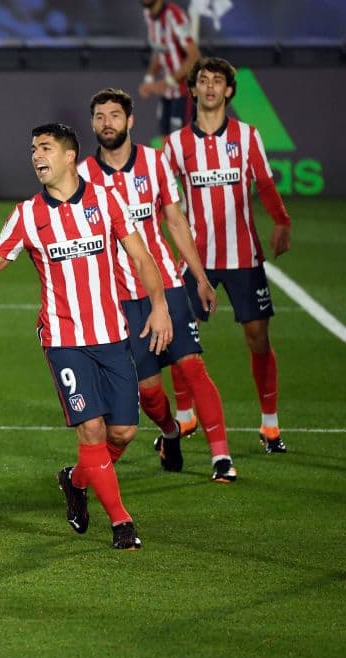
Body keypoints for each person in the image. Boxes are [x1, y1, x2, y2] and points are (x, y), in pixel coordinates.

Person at [0, 124, 174, 550]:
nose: (36, 155)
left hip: (111, 336)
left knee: (122, 433)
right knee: (91, 429)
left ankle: (75, 479)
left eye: (46, 148)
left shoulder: (106, 200)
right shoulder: (27, 214)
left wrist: (160, 306)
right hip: (63, 340)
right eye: (33, 148)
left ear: (70, 156)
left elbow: (142, 257)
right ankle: (121, 522)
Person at [79, 87, 237, 482]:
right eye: (100, 117)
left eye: (115, 115)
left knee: (192, 367)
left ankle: (221, 458)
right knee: (149, 392)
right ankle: (170, 431)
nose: (107, 123)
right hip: (120, 299)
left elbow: (176, 221)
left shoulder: (155, 162)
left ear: (131, 121)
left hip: (166, 284)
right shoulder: (83, 175)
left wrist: (199, 278)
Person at [164, 57, 292, 454]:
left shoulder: (248, 136)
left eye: (217, 82)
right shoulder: (175, 145)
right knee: (179, 339)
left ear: (229, 91)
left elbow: (266, 184)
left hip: (243, 257)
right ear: (194, 90)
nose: (210, 87)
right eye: (203, 81)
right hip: (195, 259)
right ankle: (185, 417)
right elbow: (164, 200)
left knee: (257, 338)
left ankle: (269, 424)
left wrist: (281, 221)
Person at [139, 0, 201, 138]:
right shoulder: (148, 15)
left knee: (182, 144)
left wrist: (167, 82)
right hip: (167, 94)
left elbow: (194, 56)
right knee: (165, 141)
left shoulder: (175, 15)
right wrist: (149, 79)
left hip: (184, 93)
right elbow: (159, 51)